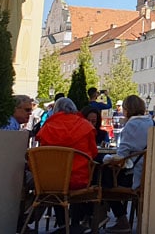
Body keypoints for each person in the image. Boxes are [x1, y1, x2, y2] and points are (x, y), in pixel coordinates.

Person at [37, 97, 98, 231]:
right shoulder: (85, 126)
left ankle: (62, 223)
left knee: (58, 183)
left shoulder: (46, 127)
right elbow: (93, 153)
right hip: (79, 180)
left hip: (51, 180)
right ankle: (77, 223)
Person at [103, 95, 153, 234]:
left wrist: (105, 158)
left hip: (134, 177)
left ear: (126, 110)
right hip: (149, 176)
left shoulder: (130, 126)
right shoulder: (153, 123)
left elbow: (121, 157)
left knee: (103, 181)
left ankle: (121, 220)